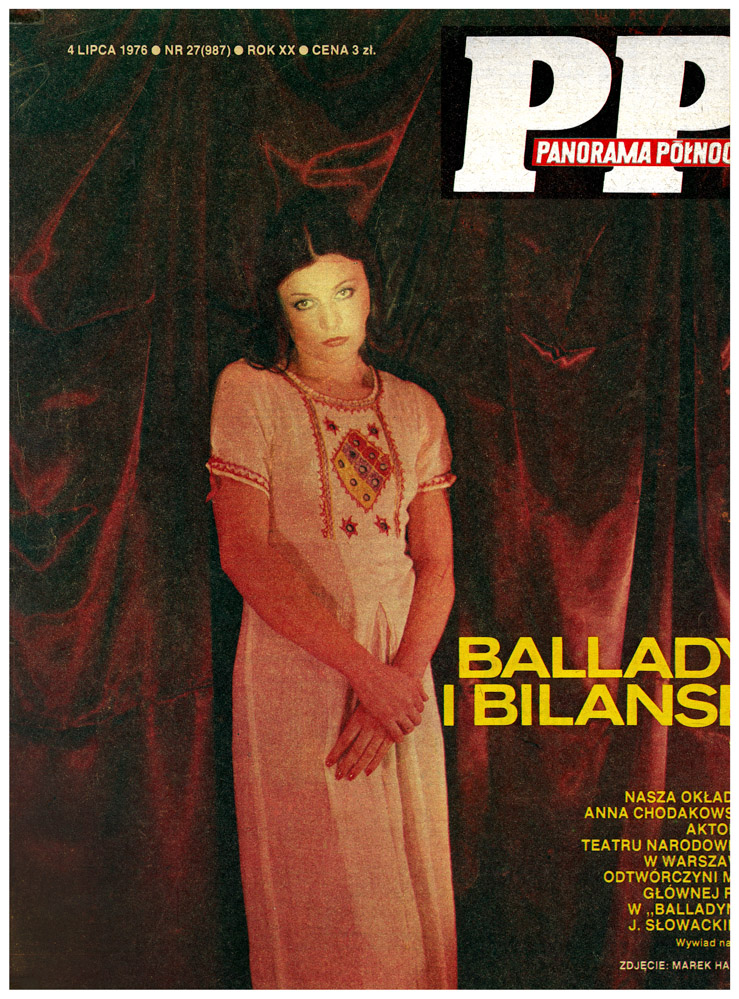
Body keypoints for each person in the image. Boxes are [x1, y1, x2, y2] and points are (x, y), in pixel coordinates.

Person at [207, 197, 457, 989]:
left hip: (402, 677)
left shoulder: (416, 408)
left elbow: (437, 566)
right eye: (304, 301)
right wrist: (364, 674)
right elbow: (244, 553)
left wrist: (396, 683)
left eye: (344, 291)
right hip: (301, 663)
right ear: (278, 308)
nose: (330, 319)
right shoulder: (249, 390)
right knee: (337, 905)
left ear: (370, 286)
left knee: (413, 905)